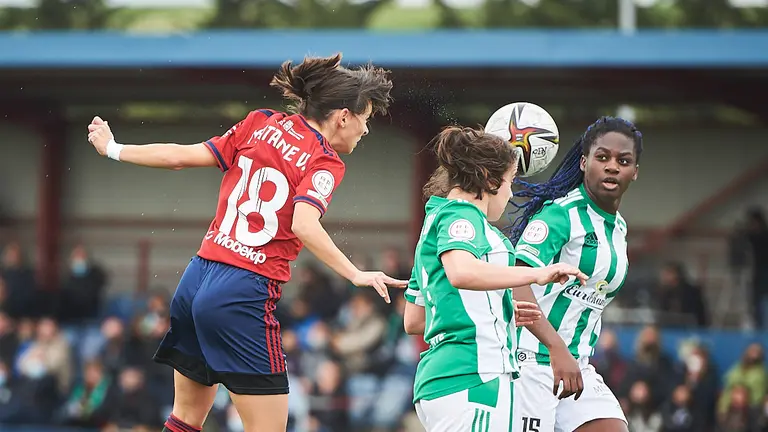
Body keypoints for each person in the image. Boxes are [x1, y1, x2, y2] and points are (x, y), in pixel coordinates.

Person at [85, 53, 407, 432]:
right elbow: (304, 224)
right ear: (343, 117)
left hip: (196, 280)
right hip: (243, 291)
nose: (365, 130)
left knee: (184, 418)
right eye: (365, 120)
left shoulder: (260, 124)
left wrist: (113, 148)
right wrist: (354, 273)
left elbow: (180, 157)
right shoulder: (324, 161)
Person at [401, 126, 588, 432]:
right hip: (472, 378)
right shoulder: (462, 216)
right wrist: (538, 273)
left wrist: (492, 308)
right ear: (490, 180)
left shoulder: (437, 218)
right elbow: (461, 272)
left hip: (452, 380)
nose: (511, 193)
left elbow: (415, 319)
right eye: (510, 182)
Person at [507, 116, 643, 432]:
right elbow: (517, 283)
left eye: (623, 161)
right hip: (530, 364)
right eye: (602, 157)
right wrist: (556, 347)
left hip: (576, 367)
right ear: (584, 163)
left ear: (634, 172)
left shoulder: (618, 228)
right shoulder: (560, 215)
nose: (612, 166)